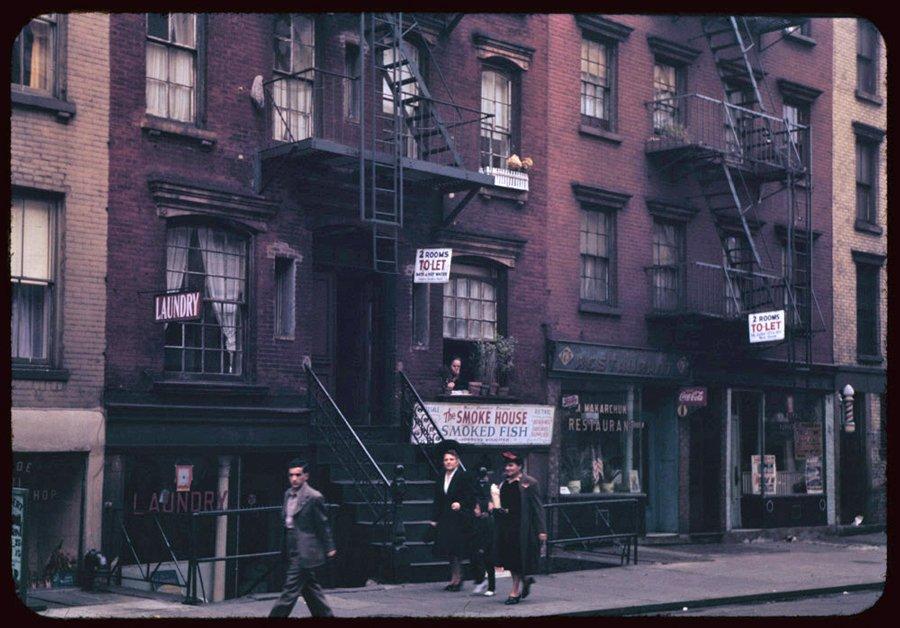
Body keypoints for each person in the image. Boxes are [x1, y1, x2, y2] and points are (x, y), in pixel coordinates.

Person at [269, 459, 336, 618]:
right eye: (291, 475)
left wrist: (330, 547)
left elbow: (323, 524)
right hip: (290, 544)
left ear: (306, 476)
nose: (294, 478)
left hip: (305, 548)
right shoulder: (287, 494)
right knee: (310, 588)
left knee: (290, 590)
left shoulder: (314, 497)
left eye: (298, 475)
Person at [492, 451, 547, 605]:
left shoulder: (529, 483)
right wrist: (494, 506)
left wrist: (542, 530)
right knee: (510, 560)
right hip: (506, 527)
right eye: (506, 465)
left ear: (519, 467)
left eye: (511, 465)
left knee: (517, 559)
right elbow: (500, 503)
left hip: (522, 528)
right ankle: (526, 580)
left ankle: (514, 592)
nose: (507, 468)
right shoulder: (503, 483)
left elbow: (538, 508)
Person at [429, 448, 474, 591]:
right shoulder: (441, 476)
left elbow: (471, 496)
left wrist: (461, 504)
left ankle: (459, 579)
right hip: (445, 517)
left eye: (451, 459)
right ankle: (453, 579)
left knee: (456, 549)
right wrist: (434, 519)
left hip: (458, 517)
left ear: (457, 462)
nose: (448, 462)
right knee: (448, 549)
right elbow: (438, 499)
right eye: (446, 460)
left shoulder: (463, 476)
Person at [470, 466, 496, 596]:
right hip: (479, 525)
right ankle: (481, 580)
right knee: (477, 557)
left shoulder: (490, 487)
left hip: (487, 528)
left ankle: (491, 586)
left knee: (488, 559)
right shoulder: (476, 486)